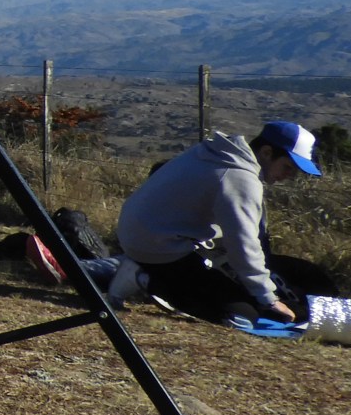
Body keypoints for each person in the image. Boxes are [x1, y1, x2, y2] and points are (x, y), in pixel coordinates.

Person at [106, 122, 321, 322]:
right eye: (288, 167)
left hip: (143, 232)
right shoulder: (240, 178)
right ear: (266, 152)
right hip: (159, 247)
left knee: (235, 292)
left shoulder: (218, 153)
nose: (289, 176)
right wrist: (268, 299)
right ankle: (143, 277)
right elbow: (243, 243)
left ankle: (155, 275)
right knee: (241, 316)